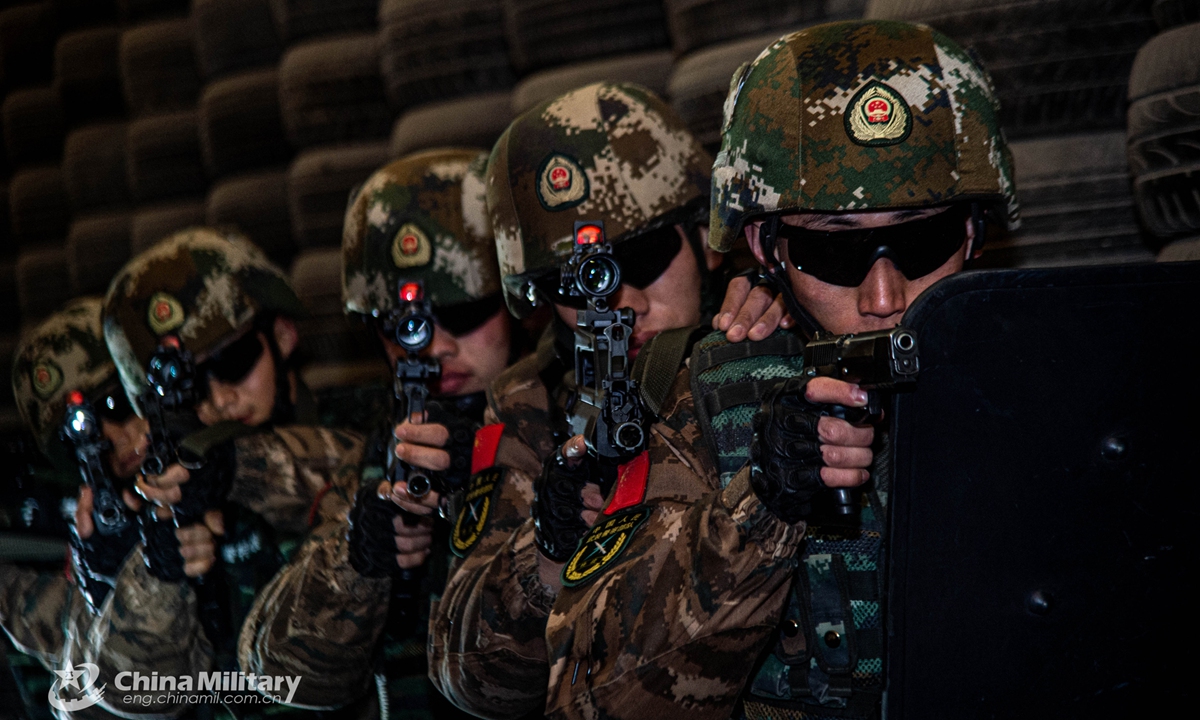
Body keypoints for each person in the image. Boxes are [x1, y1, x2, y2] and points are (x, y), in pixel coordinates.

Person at [540, 19, 1019, 720]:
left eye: (922, 240)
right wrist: (760, 506)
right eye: (835, 253)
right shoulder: (706, 399)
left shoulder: (1052, 372)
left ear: (973, 232)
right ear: (768, 249)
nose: (883, 297)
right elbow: (594, 698)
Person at [427, 81, 733, 719]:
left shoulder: (759, 342)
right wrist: (544, 558)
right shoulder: (530, 398)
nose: (617, 301)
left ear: (703, 234)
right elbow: (468, 675)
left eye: (642, 257)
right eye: (582, 280)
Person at [235, 148, 518, 718]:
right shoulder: (384, 453)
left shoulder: (578, 421)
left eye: (462, 313)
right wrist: (358, 560)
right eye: (404, 327)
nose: (434, 347)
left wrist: (503, 472)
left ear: (518, 298)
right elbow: (277, 671)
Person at [102, 228, 373, 715]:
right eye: (189, 389)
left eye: (234, 361)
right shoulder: (157, 492)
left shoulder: (361, 431)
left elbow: (347, 468)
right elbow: (108, 695)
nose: (221, 400)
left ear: (284, 335)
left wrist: (229, 469)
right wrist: (160, 574)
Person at [2, 297, 218, 719]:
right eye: (83, 436)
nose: (116, 439)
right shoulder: (83, 541)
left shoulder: (224, 463)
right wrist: (104, 588)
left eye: (116, 405)